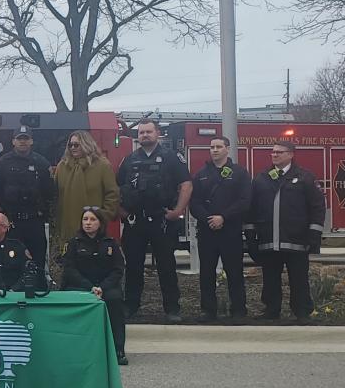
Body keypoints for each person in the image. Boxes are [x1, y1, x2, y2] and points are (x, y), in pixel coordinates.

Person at [116, 120, 192, 322]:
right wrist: (120, 211)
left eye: (148, 131)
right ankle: (130, 306)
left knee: (167, 266)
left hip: (162, 220)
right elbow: (115, 188)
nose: (145, 135)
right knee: (133, 266)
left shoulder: (172, 158)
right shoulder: (129, 160)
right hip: (135, 221)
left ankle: (172, 309)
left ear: (157, 133)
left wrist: (178, 211)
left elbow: (186, 184)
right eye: (141, 132)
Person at [245, 142, 326, 324]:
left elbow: (318, 207)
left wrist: (314, 233)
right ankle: (271, 310)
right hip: (269, 240)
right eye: (273, 152)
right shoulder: (262, 178)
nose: (274, 155)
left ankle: (302, 312)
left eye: (279, 152)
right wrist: (250, 235)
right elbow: (251, 208)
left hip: (296, 239)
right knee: (270, 278)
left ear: (290, 155)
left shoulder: (305, 177)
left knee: (299, 278)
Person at [189, 136, 252, 322]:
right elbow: (194, 202)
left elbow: (244, 201)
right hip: (207, 231)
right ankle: (208, 311)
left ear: (227, 149)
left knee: (234, 272)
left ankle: (238, 310)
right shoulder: (201, 174)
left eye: (218, 147)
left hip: (230, 231)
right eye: (212, 147)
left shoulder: (240, 173)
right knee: (206, 273)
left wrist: (223, 217)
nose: (214, 150)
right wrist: (208, 219)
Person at [61, 207, 128, 365]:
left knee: (115, 300)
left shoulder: (110, 244)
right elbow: (70, 269)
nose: (88, 223)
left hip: (105, 287)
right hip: (80, 286)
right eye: (85, 219)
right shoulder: (74, 243)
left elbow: (118, 269)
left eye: (92, 220)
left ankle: (118, 349)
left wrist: (102, 287)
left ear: (100, 223)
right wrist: (89, 287)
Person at [0, 126, 56, 267]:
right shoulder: (2, 163)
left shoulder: (42, 163)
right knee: (11, 261)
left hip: (34, 221)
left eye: (25, 138)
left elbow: (49, 191)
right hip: (11, 222)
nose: (22, 142)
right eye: (19, 138)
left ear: (31, 141)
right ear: (13, 141)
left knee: (37, 260)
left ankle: (38, 287)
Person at [52, 130, 119, 257]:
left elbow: (112, 194)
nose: (72, 148)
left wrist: (103, 216)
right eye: (70, 145)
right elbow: (55, 195)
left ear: (86, 144)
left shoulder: (102, 166)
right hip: (67, 227)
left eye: (76, 145)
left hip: (94, 231)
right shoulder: (62, 167)